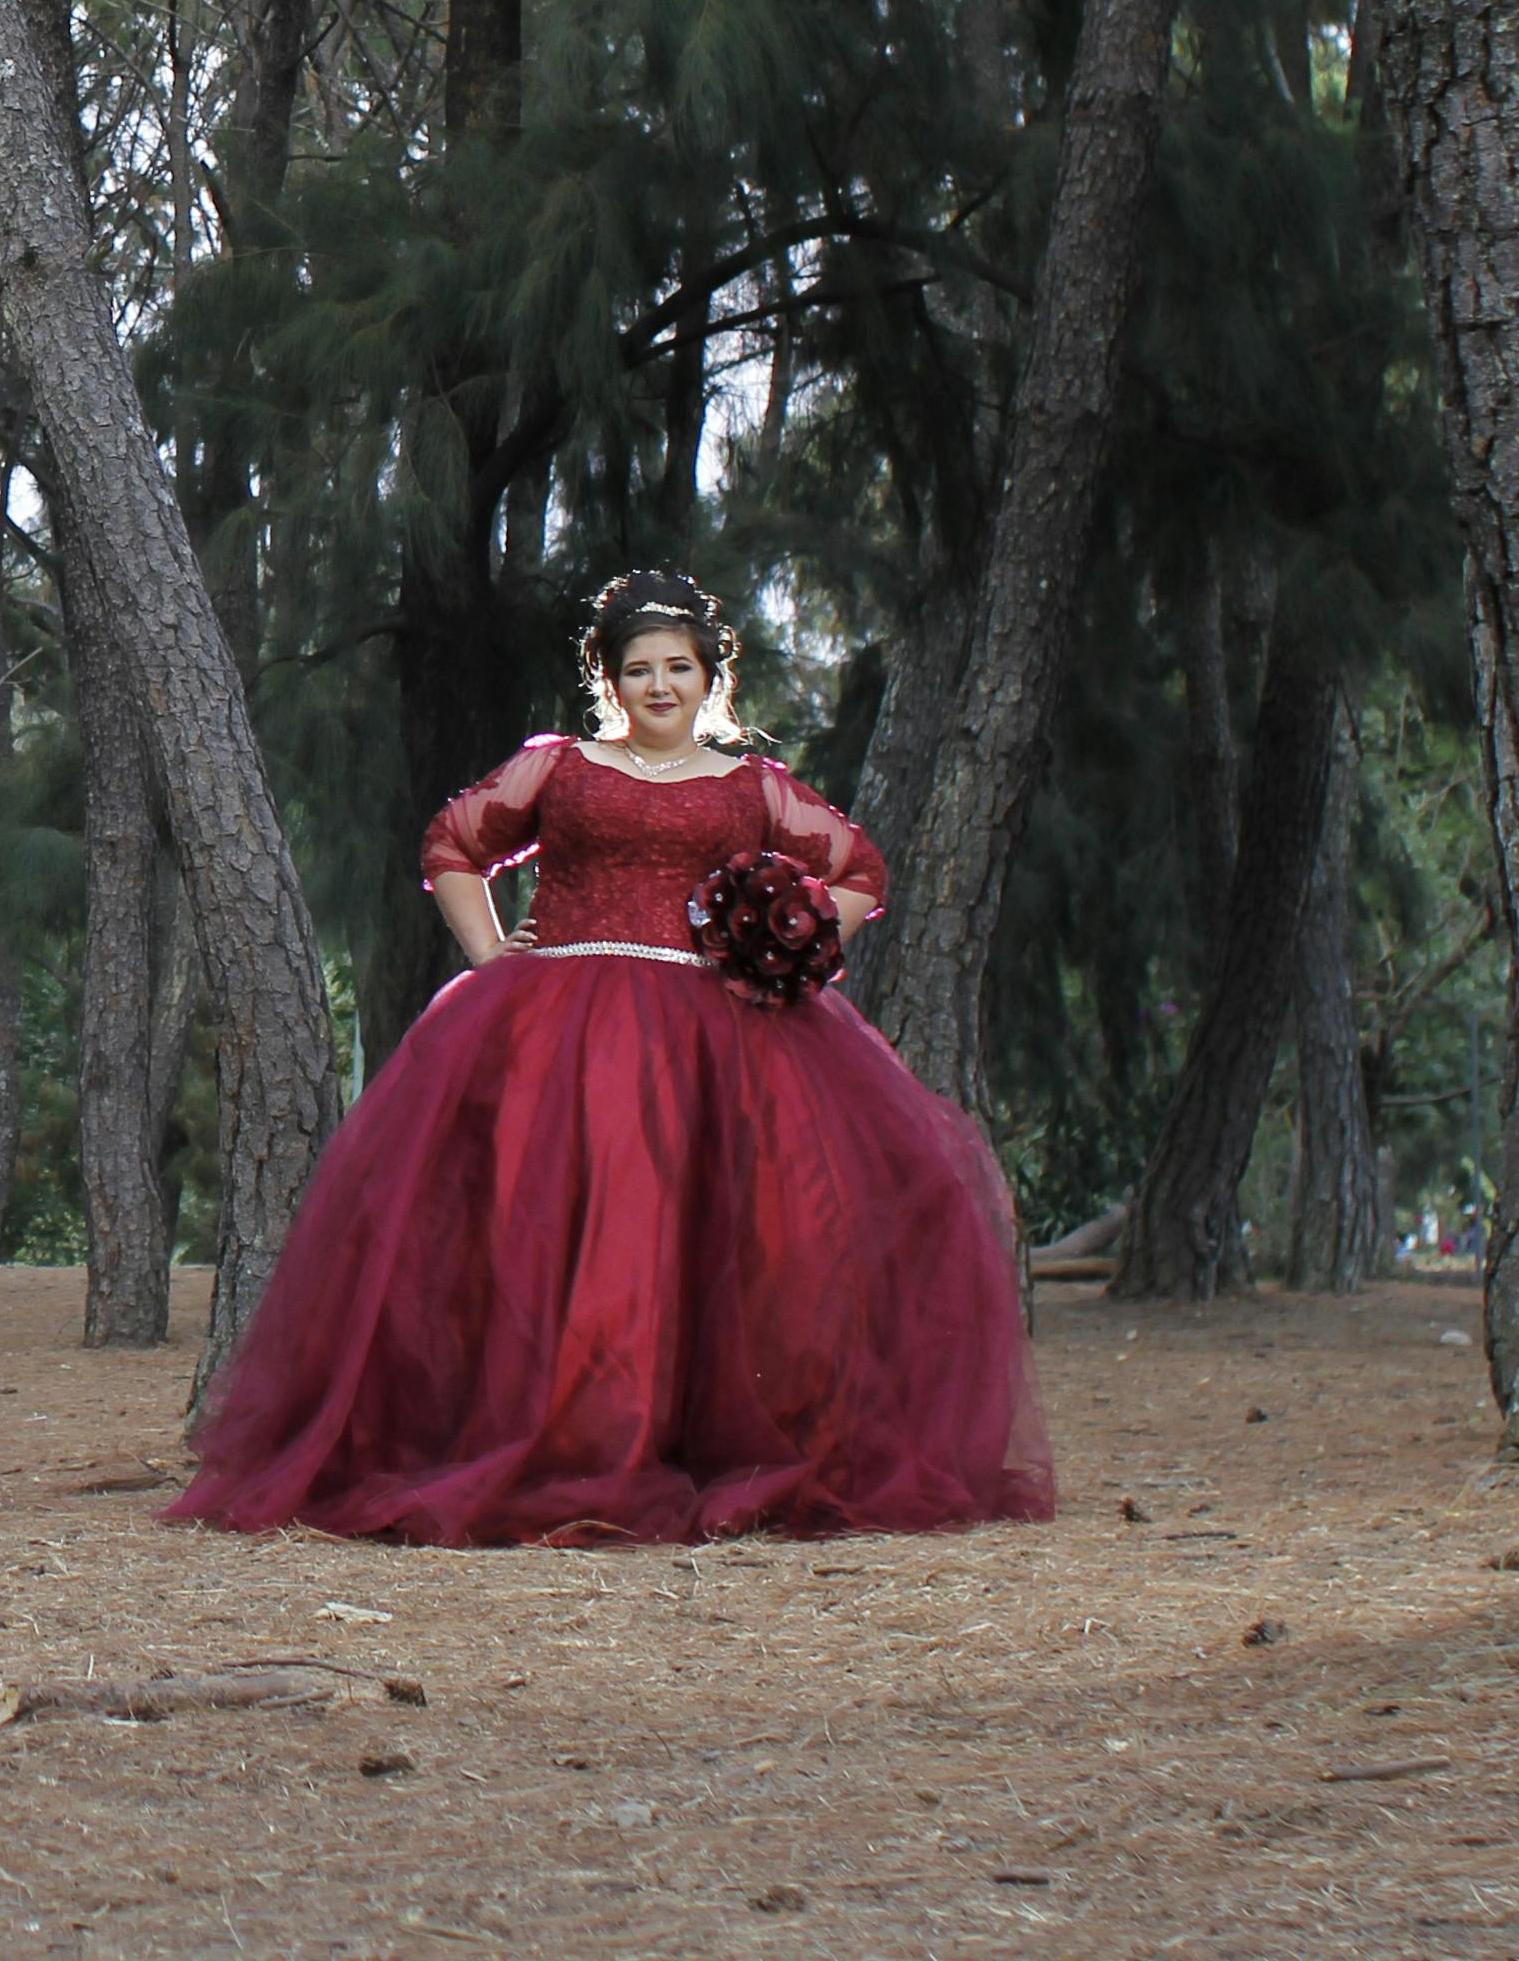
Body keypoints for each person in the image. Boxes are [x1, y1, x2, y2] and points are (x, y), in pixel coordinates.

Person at [168, 568, 1053, 1546]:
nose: (661, 686)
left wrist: (786, 951)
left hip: (719, 1033)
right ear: (609, 679)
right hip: (562, 1019)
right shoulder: (560, 767)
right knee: (551, 1228)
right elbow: (454, 843)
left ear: (712, 678)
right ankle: (563, 1438)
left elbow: (859, 869)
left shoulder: (751, 785)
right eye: (640, 670)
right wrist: (489, 950)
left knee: (726, 1234)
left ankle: (702, 1440)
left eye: (680, 667)